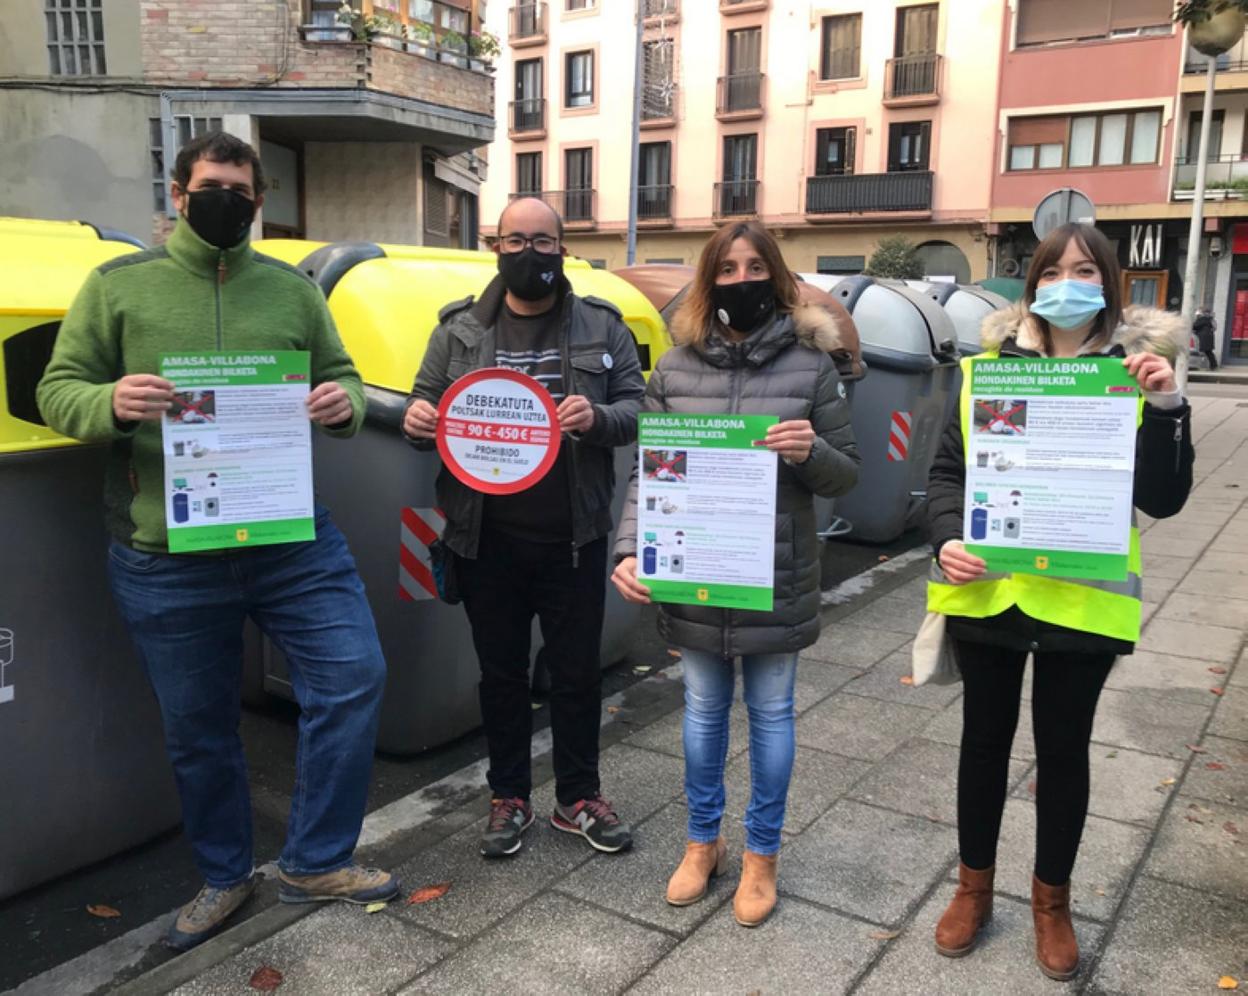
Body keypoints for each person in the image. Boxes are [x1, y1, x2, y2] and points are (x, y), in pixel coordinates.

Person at [36, 132, 397, 951]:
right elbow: (58, 390)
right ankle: (226, 877)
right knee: (199, 730)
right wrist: (113, 403)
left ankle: (315, 859)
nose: (225, 201)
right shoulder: (117, 287)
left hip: (289, 539)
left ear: (258, 201)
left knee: (353, 676)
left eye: (240, 190)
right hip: (166, 556)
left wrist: (338, 404)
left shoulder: (291, 291)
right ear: (178, 195)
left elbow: (336, 372)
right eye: (210, 188)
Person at [925, 223, 1194, 981]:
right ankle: (972, 889)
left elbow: (1165, 499)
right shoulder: (988, 372)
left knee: (1063, 754)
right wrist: (946, 535)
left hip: (1083, 602)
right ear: (1031, 284)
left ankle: (1052, 904)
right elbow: (947, 474)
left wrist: (1168, 409)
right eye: (1051, 271)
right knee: (982, 745)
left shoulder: (1135, 374)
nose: (1066, 283)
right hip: (991, 594)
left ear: (1109, 285)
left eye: (1084, 270)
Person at [610, 221, 860, 928]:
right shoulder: (675, 366)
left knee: (773, 716)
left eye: (754, 267)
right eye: (727, 268)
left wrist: (809, 451)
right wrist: (630, 548)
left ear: (775, 277)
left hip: (772, 577)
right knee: (701, 714)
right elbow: (646, 475)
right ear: (708, 279)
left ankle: (761, 855)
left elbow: (847, 474)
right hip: (696, 575)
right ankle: (702, 843)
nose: (740, 280)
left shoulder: (812, 367)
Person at [402, 197, 645, 859]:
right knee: (500, 674)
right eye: (517, 239)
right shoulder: (458, 332)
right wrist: (418, 421)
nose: (530, 252)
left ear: (563, 249)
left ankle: (577, 797)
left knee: (576, 675)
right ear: (495, 246)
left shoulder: (601, 326)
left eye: (544, 241)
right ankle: (509, 796)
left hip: (574, 535)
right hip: (485, 540)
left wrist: (598, 420)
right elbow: (426, 405)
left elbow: (641, 411)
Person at [1193, 305, 1219, 370]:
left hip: (1203, 337)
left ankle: (1210, 366)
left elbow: (1195, 326)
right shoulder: (1210, 319)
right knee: (1209, 352)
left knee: (1203, 351)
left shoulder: (1202, 319)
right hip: (1208, 337)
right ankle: (1213, 366)